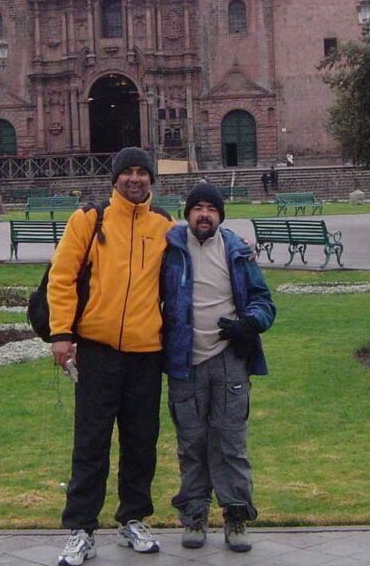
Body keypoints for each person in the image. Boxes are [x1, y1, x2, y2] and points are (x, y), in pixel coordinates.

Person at [48, 147, 173, 566]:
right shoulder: (90, 219)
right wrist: (61, 334)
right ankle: (81, 528)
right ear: (114, 179)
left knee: (142, 442)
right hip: (98, 350)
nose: (135, 179)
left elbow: (202, 249)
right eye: (128, 173)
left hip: (146, 353)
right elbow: (62, 277)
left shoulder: (165, 225)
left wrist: (240, 247)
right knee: (91, 442)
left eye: (142, 173)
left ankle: (132, 517)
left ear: (151, 180)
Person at [160, 182, 276, 553]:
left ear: (220, 216)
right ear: (187, 214)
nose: (204, 214)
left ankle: (236, 518)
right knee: (191, 444)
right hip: (185, 359)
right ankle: (194, 516)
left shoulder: (238, 251)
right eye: (198, 208)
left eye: (211, 208)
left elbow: (263, 301)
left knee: (230, 444)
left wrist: (250, 323)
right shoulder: (170, 248)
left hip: (228, 360)